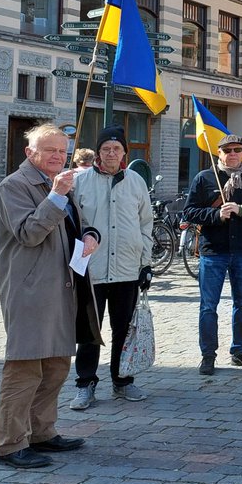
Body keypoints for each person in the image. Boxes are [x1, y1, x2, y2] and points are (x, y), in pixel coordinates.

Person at [0, 123, 101, 469]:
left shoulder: (60, 186)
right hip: (29, 291)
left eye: (62, 150)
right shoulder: (15, 186)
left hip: (62, 287)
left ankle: (41, 432)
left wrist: (90, 234)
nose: (58, 156)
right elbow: (29, 233)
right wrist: (55, 197)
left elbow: (72, 228)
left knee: (55, 366)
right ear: (30, 153)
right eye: (49, 149)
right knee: (25, 367)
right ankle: (10, 444)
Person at [68, 125, 154, 409]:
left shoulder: (135, 181)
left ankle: (122, 381)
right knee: (90, 330)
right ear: (98, 152)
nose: (111, 153)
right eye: (106, 149)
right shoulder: (80, 181)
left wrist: (146, 262)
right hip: (91, 271)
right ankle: (85, 384)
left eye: (117, 149)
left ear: (124, 153)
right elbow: (70, 225)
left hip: (128, 268)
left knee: (123, 329)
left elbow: (145, 224)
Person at [183, 134, 242, 375]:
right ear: (219, 153)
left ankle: (240, 350)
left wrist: (241, 210)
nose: (232, 154)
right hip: (213, 251)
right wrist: (216, 216)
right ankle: (208, 354)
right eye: (227, 150)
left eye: (237, 149)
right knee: (208, 306)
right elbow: (189, 212)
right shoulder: (204, 178)